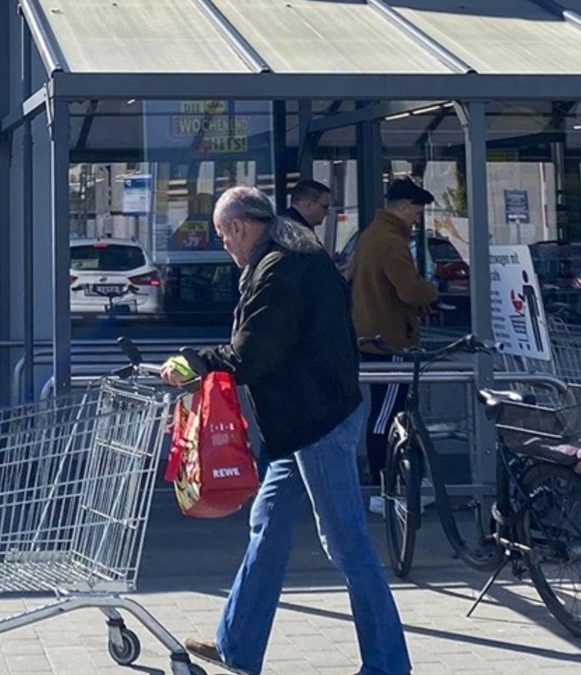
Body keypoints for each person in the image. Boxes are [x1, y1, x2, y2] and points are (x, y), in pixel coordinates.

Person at [161, 187, 411, 675]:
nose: (225, 247)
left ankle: (387, 664)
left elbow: (253, 354)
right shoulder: (293, 254)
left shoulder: (279, 270)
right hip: (302, 423)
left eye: (222, 236)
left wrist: (195, 362)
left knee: (346, 542)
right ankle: (237, 646)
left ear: (238, 227)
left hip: (317, 422)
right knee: (268, 528)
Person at [350, 178, 439, 511]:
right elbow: (411, 290)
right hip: (391, 342)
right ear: (403, 207)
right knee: (389, 414)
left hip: (373, 338)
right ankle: (382, 484)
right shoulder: (391, 242)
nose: (418, 216)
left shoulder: (371, 236)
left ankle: (403, 478)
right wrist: (432, 292)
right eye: (417, 210)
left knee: (393, 411)